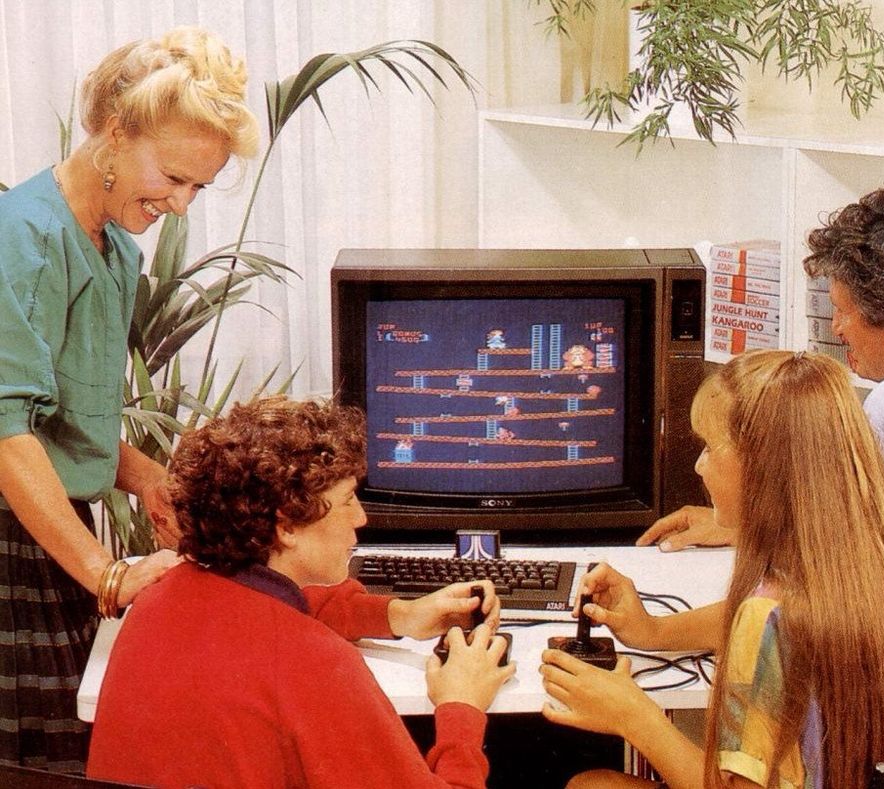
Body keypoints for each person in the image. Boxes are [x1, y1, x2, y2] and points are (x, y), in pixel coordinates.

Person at [0, 27, 259, 772]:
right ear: (115, 134)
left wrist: (147, 477)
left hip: (52, 531)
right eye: (173, 177)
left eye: (198, 187)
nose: (180, 204)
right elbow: (6, 432)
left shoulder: (116, 251)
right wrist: (106, 573)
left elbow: (61, 420)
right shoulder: (22, 236)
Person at [542, 350, 884, 789]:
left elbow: (767, 628)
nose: (699, 465)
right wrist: (653, 632)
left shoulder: (767, 617)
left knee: (590, 786)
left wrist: (635, 717)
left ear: (763, 466)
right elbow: (780, 624)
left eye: (710, 447)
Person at [637, 185, 884, 711]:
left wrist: (654, 632)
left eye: (844, 311)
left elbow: (809, 595)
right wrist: (738, 522)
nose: (837, 328)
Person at [87, 396, 516, 788]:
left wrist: (400, 615)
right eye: (348, 500)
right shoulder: (317, 662)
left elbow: (266, 612)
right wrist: (461, 706)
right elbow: (285, 646)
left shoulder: (157, 598)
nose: (361, 518)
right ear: (287, 526)